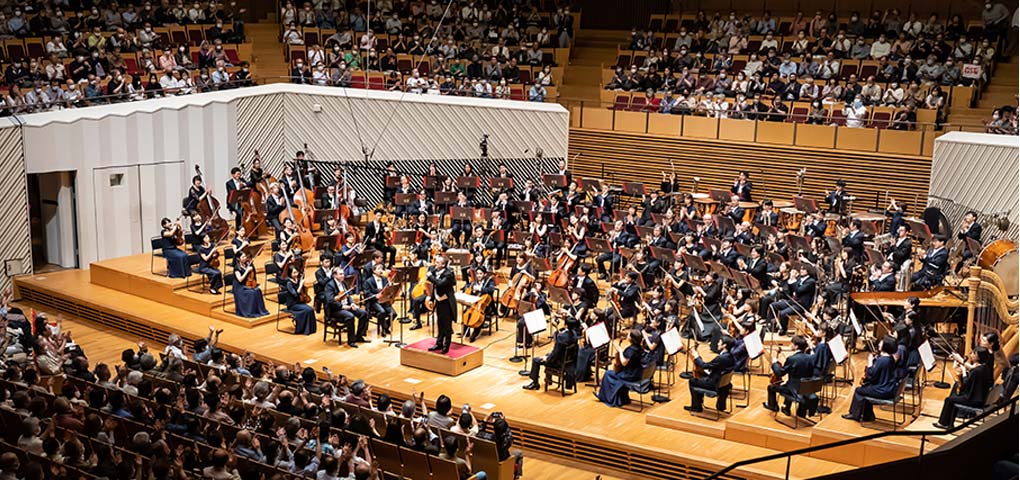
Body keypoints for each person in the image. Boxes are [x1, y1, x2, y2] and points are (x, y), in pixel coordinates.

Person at [934, 346, 994, 429]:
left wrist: (964, 371)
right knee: (954, 392)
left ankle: (943, 423)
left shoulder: (977, 371)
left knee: (949, 400)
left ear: (978, 357)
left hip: (974, 400)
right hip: (979, 397)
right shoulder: (985, 368)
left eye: (974, 353)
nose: (971, 355)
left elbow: (965, 384)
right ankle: (949, 424)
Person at [843, 336, 900, 422]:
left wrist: (870, 361)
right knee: (866, 388)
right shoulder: (890, 358)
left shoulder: (882, 360)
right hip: (889, 388)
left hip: (883, 390)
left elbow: (871, 375)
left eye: (882, 342)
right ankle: (868, 415)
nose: (880, 343)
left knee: (859, 390)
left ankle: (855, 414)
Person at [763, 335, 818, 416]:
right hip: (807, 388)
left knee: (771, 387)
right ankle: (791, 409)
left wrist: (774, 363)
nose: (790, 345)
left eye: (791, 343)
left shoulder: (792, 359)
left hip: (795, 389)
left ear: (796, 346)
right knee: (788, 383)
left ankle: (773, 406)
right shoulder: (812, 357)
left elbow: (780, 373)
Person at [522, 314, 579, 391]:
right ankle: (548, 379)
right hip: (569, 362)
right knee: (547, 354)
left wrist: (547, 359)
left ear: (566, 325)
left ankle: (535, 383)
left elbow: (555, 353)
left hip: (559, 362)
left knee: (536, 360)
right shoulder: (574, 334)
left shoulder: (561, 338)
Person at [596, 329, 648, 407]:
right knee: (612, 373)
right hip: (637, 372)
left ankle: (607, 397)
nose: (628, 335)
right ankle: (620, 398)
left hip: (629, 375)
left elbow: (624, 362)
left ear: (632, 338)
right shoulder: (639, 348)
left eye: (629, 335)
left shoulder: (632, 350)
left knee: (608, 374)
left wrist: (620, 350)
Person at [685, 335, 736, 413]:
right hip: (724, 384)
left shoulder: (720, 359)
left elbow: (704, 366)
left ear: (724, 345)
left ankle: (696, 406)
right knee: (701, 376)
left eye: (720, 342)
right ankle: (721, 405)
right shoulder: (731, 356)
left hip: (713, 383)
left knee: (692, 381)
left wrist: (696, 357)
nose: (718, 343)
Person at [324, 268, 369, 347]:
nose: (343, 275)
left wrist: (352, 303)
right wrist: (342, 306)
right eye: (340, 274)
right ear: (335, 275)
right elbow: (330, 301)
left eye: (343, 274)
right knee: (350, 316)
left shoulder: (343, 283)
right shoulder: (329, 285)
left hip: (347, 306)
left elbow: (348, 295)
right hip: (335, 309)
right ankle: (351, 341)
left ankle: (359, 336)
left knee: (363, 313)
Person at [427, 254, 457, 354]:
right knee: (440, 323)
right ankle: (439, 343)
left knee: (447, 325)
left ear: (443, 265)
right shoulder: (436, 272)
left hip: (447, 303)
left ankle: (446, 345)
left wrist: (430, 276)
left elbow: (440, 283)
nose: (435, 264)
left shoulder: (449, 274)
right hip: (439, 301)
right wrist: (432, 298)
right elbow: (435, 286)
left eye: (437, 262)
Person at [232, 251, 269, 318]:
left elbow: (253, 274)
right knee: (251, 292)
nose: (245, 258)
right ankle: (249, 312)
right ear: (238, 259)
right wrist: (247, 271)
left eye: (245, 256)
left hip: (247, 284)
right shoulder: (237, 268)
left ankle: (259, 310)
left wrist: (252, 266)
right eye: (243, 257)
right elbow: (240, 279)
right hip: (239, 287)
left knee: (258, 290)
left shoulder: (247, 264)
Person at [281, 265, 316, 335]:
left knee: (311, 309)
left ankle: (311, 329)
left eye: (297, 272)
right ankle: (305, 330)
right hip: (293, 304)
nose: (296, 274)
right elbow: (295, 294)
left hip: (300, 302)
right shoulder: (289, 283)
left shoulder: (298, 279)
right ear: (290, 274)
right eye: (294, 273)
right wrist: (300, 285)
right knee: (308, 310)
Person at [363, 262, 395, 337]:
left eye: (382, 269)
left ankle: (386, 327)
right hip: (374, 302)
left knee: (393, 314)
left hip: (384, 301)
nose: (381, 270)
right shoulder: (368, 281)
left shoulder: (384, 279)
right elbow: (366, 293)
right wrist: (375, 296)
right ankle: (384, 329)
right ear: (374, 271)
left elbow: (387, 290)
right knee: (382, 312)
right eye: (379, 269)